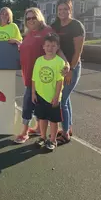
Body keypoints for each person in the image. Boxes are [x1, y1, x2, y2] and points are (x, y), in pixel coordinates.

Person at [14, 8, 69, 144]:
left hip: (41, 77)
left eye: (33, 17)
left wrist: (66, 63)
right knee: (37, 104)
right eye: (28, 18)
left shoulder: (47, 31)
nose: (31, 20)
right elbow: (28, 48)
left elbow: (57, 48)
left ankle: (25, 131)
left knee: (28, 103)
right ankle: (39, 128)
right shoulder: (28, 34)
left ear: (39, 17)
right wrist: (18, 43)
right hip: (28, 75)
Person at [51, 0, 85, 145]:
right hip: (62, 66)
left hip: (73, 66)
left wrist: (70, 69)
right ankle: (68, 127)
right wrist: (64, 64)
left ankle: (65, 134)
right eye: (60, 9)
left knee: (62, 100)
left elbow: (78, 51)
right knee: (66, 98)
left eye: (65, 9)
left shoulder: (77, 26)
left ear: (70, 10)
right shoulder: (55, 25)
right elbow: (57, 47)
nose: (62, 12)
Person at [32, 33, 65, 151]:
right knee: (42, 118)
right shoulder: (39, 61)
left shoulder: (59, 62)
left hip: (53, 97)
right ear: (43, 47)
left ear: (57, 47)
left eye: (53, 46)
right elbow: (34, 78)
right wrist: (33, 93)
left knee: (54, 121)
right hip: (40, 95)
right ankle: (42, 137)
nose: (50, 48)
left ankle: (52, 140)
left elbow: (59, 81)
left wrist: (56, 96)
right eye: (48, 45)